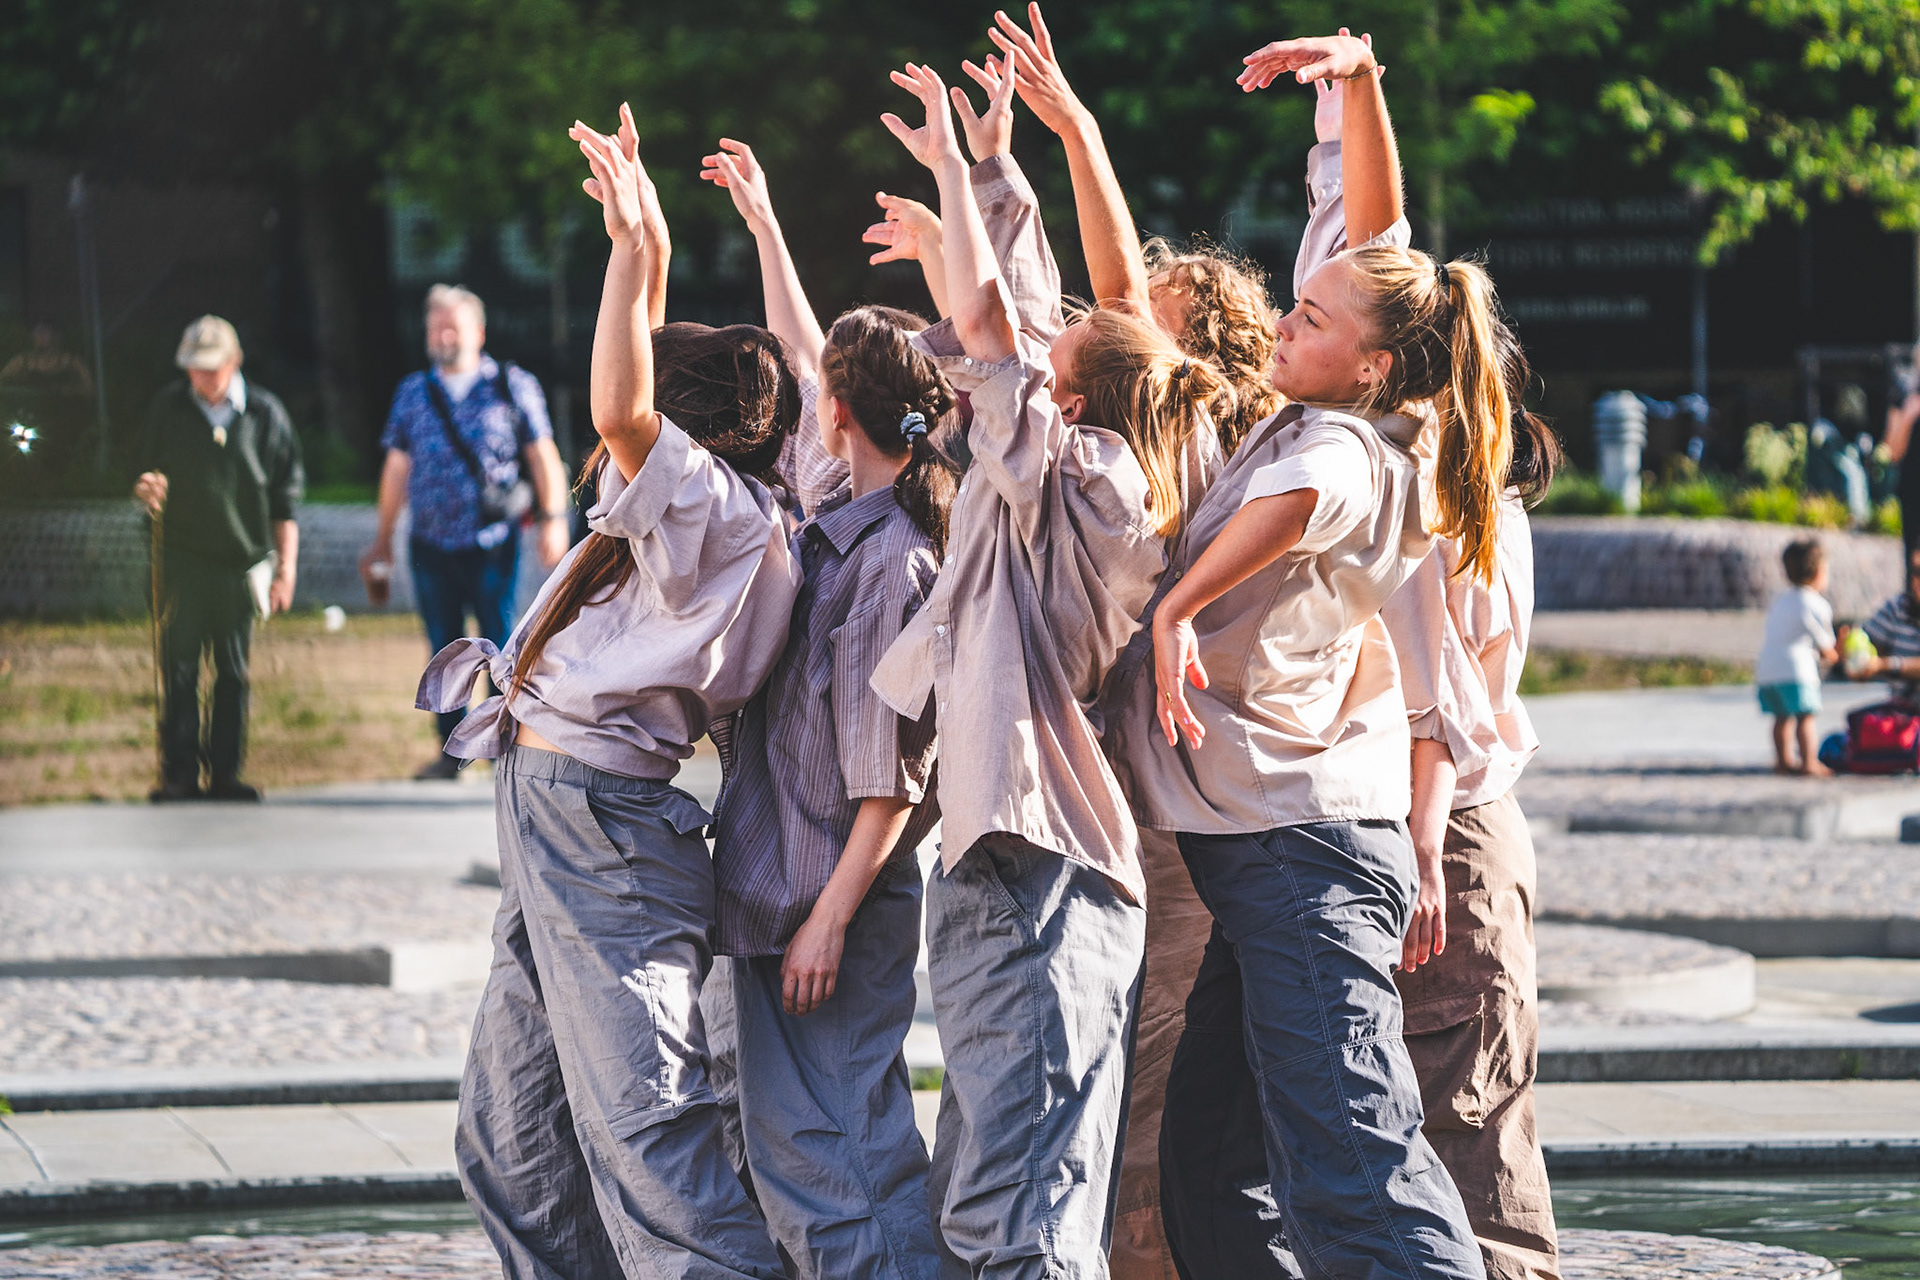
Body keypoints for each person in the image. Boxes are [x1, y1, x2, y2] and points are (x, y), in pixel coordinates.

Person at [1139, 30, 1513, 1279]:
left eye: (1312, 317)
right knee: (1209, 1159)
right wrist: (1354, 86)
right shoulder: (1340, 383)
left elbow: (1300, 502)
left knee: (1353, 1163)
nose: (1287, 324)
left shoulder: (1356, 449)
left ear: (1375, 360)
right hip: (1281, 851)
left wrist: (1180, 603)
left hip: (1298, 855)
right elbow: (1375, 227)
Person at [416, 105, 799, 1279]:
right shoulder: (678, 523)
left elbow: (618, 410)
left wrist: (643, 254)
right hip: (552, 808)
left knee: (651, 1139)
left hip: (603, 823)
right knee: (512, 1138)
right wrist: (652, 250)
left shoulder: (724, 518)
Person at [873, 58, 1229, 1278]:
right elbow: (1019, 313)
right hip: (1007, 856)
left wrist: (942, 173)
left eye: (1057, 352)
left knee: (1022, 1213)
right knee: (992, 1187)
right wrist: (989, 165)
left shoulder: (1090, 484)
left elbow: (991, 327)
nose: (1043, 335)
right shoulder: (1074, 466)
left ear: (1072, 392)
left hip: (1042, 867)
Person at [700, 136, 952, 1278]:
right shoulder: (838, 516)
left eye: (822, 400)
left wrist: (830, 917)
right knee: (806, 1148)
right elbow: (811, 355)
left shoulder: (884, 562)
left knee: (843, 1153)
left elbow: (886, 772)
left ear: (840, 416)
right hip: (785, 894)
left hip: (821, 906)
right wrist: (763, 224)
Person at [1378, 347, 1565, 1280]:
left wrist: (1418, 846)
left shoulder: (1456, 503)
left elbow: (1448, 709)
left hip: (1450, 833)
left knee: (1472, 1136)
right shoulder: (1429, 486)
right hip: (1436, 829)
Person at [365, 284, 572, 779]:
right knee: (443, 649)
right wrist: (382, 539)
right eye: (436, 326)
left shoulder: (510, 385)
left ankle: (505, 749)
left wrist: (555, 518)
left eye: (454, 325)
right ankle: (451, 754)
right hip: (430, 543)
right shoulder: (414, 392)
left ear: (478, 332)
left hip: (493, 543)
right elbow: (397, 468)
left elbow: (542, 456)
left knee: (502, 644)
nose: (444, 334)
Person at [132, 315, 302, 803]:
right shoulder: (168, 409)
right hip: (181, 560)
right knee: (179, 669)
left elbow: (285, 503)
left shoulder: (265, 415)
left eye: (210, 367)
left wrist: (285, 569)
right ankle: (179, 774)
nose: (201, 377)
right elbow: (143, 472)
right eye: (193, 367)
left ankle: (226, 773)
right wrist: (148, 488)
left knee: (232, 672)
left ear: (234, 362)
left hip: (240, 563)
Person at [1756, 539, 1839, 776]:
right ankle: (1809, 762)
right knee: (1805, 717)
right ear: (1819, 572)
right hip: (1797, 671)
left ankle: (1782, 761)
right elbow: (1826, 649)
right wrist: (1839, 653)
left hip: (1768, 670)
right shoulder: (1816, 604)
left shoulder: (1779, 601)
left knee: (1781, 718)